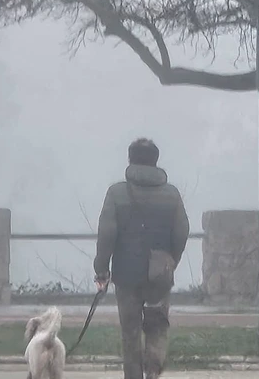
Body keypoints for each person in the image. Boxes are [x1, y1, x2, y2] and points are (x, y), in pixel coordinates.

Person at [94, 137, 190, 379]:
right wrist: (170, 260)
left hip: (126, 277)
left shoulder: (116, 193)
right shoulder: (172, 194)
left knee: (131, 333)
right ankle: (154, 374)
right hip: (160, 275)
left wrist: (102, 270)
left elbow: (107, 234)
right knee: (157, 328)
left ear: (130, 159)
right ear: (156, 161)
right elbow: (182, 231)